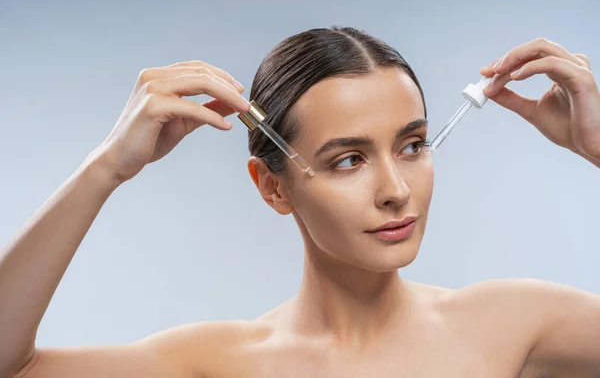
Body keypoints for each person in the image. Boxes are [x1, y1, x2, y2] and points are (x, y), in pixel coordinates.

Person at [1, 26, 599, 378]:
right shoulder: (218, 363)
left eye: (413, 145)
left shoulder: (511, 324)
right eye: (348, 160)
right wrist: (104, 167)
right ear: (273, 186)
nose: (396, 190)